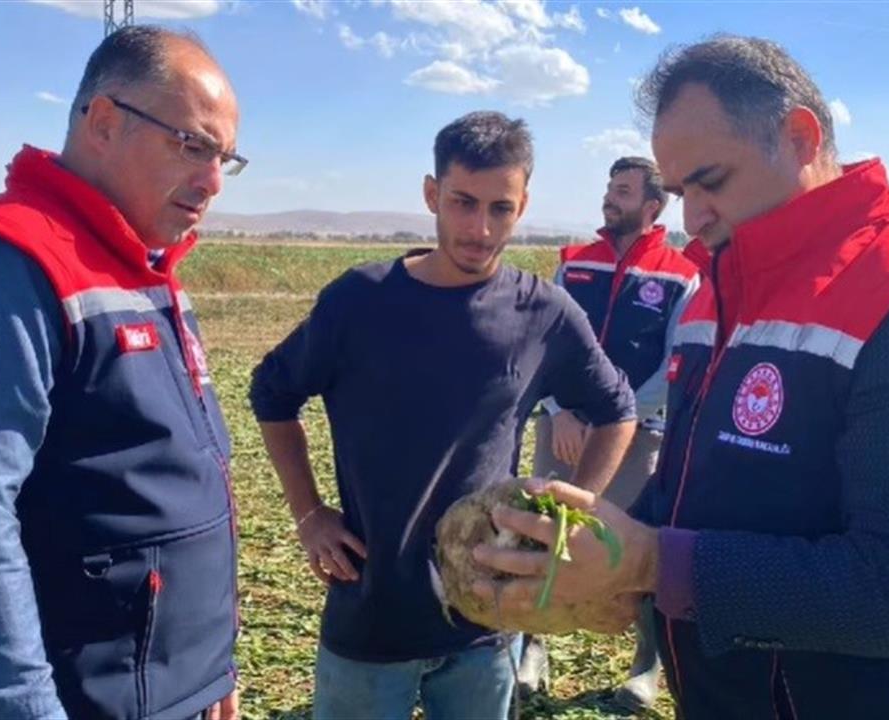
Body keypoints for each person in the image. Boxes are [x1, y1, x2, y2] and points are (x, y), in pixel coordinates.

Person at [473, 35, 889, 719]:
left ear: (800, 138)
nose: (692, 218)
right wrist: (604, 540)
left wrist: (652, 562)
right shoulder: (715, 292)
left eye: (711, 183)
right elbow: (701, 480)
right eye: (681, 191)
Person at [0, 26, 246, 720]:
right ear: (104, 122)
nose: (212, 180)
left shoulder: (145, 264)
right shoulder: (8, 266)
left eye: (225, 158)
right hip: (86, 698)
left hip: (171, 688)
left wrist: (208, 669)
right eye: (193, 145)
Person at [248, 111, 637, 720]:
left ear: (523, 204)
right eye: (462, 202)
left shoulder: (543, 314)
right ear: (432, 193)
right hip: (370, 616)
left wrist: (567, 520)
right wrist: (307, 512)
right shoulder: (360, 302)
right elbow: (271, 395)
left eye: (500, 209)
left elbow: (616, 410)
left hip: (486, 620)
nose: (481, 229)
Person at [519, 156, 699, 709]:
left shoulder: (680, 274)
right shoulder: (572, 264)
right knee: (539, 536)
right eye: (609, 188)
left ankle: (643, 669)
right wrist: (557, 407)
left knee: (634, 545)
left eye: (622, 191)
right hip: (563, 429)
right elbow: (539, 345)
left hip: (638, 435)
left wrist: (609, 419)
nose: (609, 199)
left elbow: (675, 363)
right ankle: (532, 649)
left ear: (652, 205)